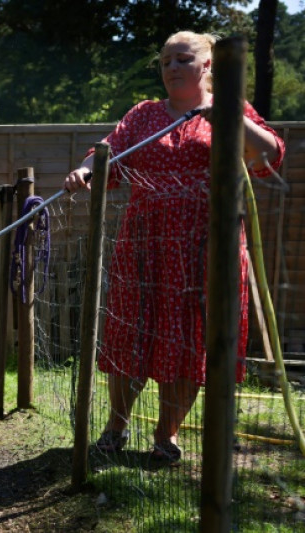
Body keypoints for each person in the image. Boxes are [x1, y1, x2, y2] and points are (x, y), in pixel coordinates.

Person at [64, 31, 285, 461]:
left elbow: (270, 154)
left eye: (182, 60)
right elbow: (108, 154)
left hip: (208, 250)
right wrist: (84, 171)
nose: (171, 69)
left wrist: (226, 113)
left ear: (208, 68)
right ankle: (116, 427)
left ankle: (166, 436)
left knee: (189, 343)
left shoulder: (230, 110)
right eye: (165, 62)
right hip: (146, 245)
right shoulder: (143, 116)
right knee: (132, 334)